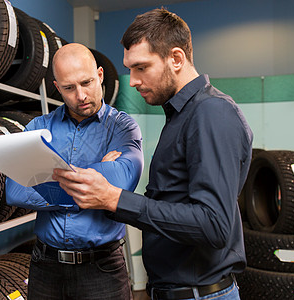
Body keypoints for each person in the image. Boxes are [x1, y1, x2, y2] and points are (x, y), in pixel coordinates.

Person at [52, 8, 253, 300]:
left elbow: (214, 224)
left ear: (176, 59)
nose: (132, 80)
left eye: (141, 68)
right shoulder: (182, 114)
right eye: (129, 68)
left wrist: (113, 198)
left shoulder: (211, 113)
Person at [5, 43, 144, 299]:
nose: (80, 95)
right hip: (46, 265)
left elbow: (123, 181)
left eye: (87, 82)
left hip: (102, 268)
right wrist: (94, 182)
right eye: (69, 88)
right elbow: (15, 190)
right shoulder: (38, 128)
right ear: (57, 88)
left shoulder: (123, 127)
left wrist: (48, 179)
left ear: (100, 76)